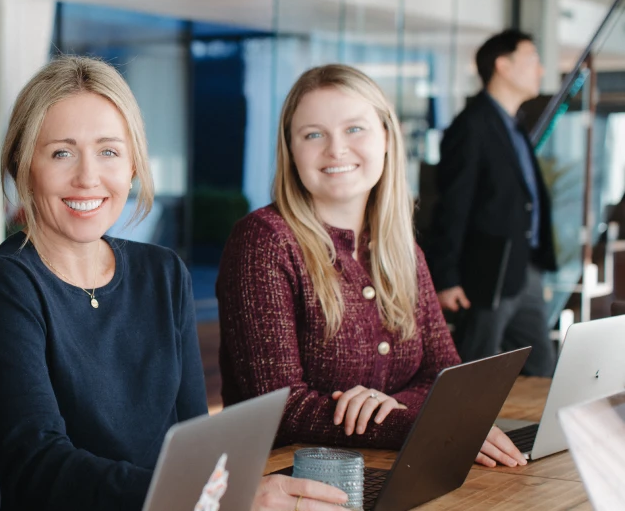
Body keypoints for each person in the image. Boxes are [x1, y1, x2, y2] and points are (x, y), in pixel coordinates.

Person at [0, 55, 357, 511]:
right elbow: (37, 466)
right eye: (61, 153)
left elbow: (193, 440)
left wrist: (217, 505)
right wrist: (203, 503)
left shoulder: (162, 272)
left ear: (133, 165)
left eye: (108, 152)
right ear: (22, 163)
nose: (88, 177)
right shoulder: (3, 286)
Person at [217, 64, 525, 468]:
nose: (336, 149)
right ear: (291, 151)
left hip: (389, 471)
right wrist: (404, 419)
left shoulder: (401, 249)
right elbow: (280, 407)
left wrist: (386, 406)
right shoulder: (265, 241)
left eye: (354, 129)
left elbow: (444, 378)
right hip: (283, 486)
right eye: (313, 134)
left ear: (385, 137)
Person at [427, 29, 557, 377]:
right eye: (533, 59)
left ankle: (535, 433)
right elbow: (452, 206)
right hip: (486, 272)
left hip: (524, 268)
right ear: (503, 65)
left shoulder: (513, 126)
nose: (541, 70)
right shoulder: (472, 126)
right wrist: (446, 277)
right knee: (474, 369)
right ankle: (462, 433)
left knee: (541, 368)